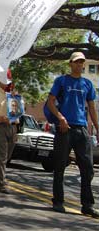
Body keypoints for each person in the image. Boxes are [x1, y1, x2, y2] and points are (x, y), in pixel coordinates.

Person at [47, 51, 99, 218]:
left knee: (88, 168)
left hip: (81, 129)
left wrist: (97, 128)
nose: (79, 64)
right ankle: (58, 201)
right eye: (76, 62)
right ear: (70, 63)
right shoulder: (61, 81)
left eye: (81, 62)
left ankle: (87, 205)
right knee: (60, 165)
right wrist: (60, 118)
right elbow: (50, 101)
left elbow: (91, 108)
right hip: (64, 128)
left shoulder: (87, 84)